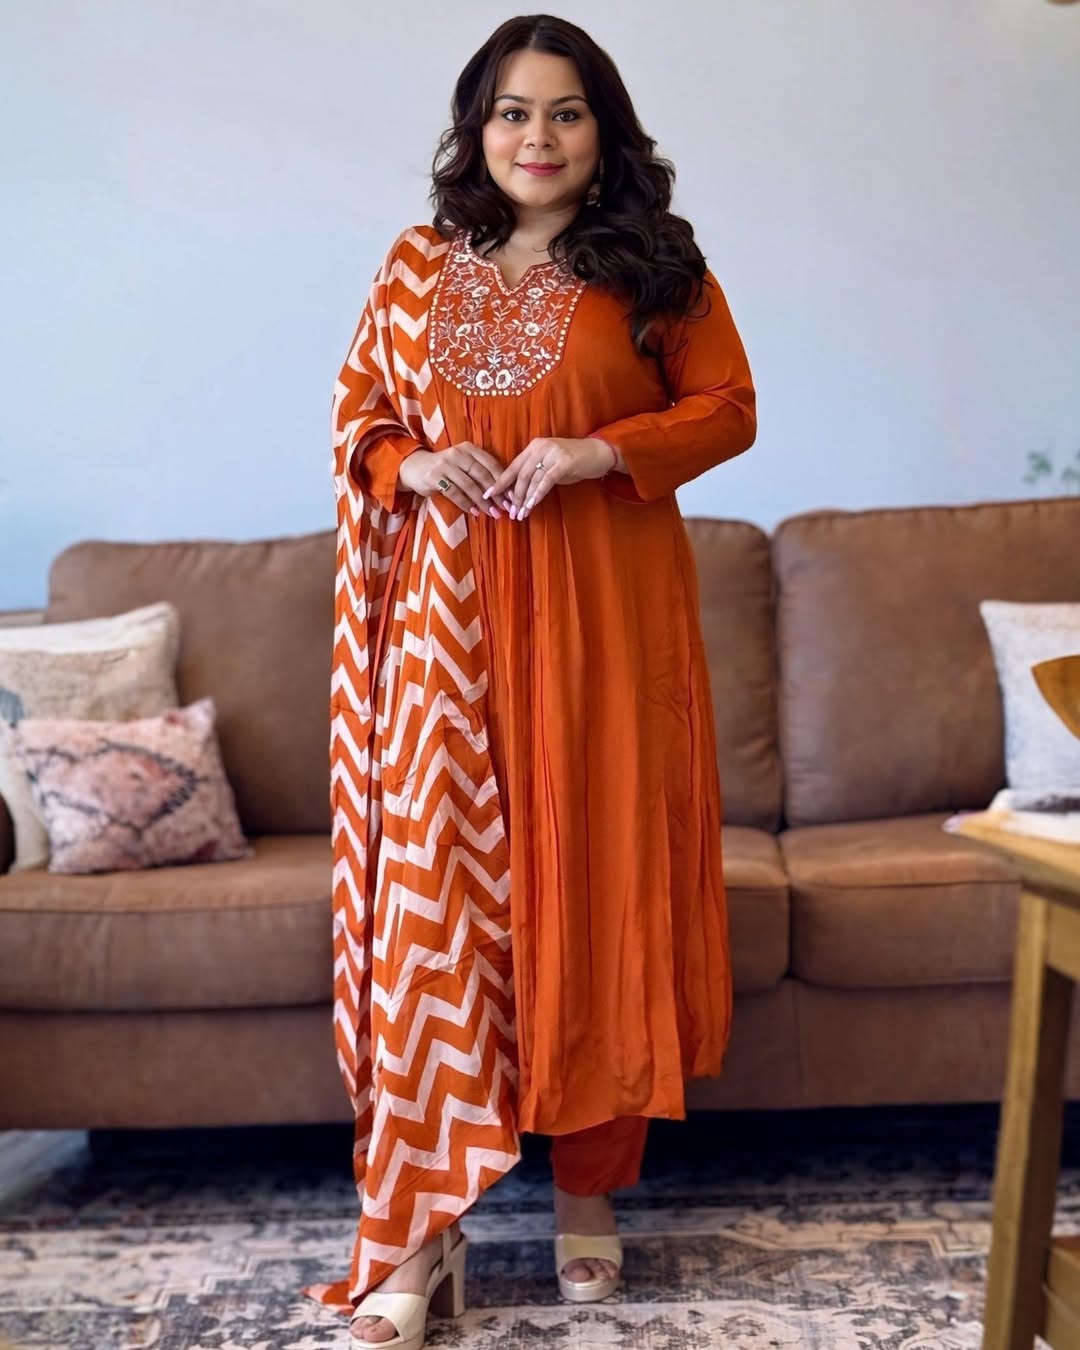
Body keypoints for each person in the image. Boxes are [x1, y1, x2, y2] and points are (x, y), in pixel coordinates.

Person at [300, 13, 756, 1346]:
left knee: (594, 885)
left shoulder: (655, 268)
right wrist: (410, 468)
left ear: (602, 129)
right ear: (475, 128)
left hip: (603, 626)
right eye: (511, 112)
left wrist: (600, 454)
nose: (536, 138)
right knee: (432, 918)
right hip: (445, 639)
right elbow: (361, 419)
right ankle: (418, 1236)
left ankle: (586, 1200)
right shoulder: (411, 270)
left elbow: (728, 407)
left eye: (563, 112)